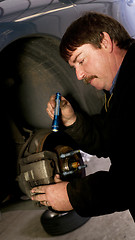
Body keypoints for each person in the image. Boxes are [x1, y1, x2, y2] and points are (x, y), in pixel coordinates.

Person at [31, 12, 135, 221]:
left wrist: (73, 195)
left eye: (81, 60)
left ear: (105, 42)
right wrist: (72, 120)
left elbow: (129, 182)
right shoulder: (120, 88)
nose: (79, 76)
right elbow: (114, 142)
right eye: (74, 67)